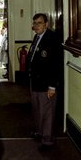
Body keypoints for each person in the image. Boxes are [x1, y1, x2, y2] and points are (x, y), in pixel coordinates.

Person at [26, 13, 63, 151]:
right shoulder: (38, 37)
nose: (36, 26)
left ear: (46, 24)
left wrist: (52, 87)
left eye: (39, 23)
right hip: (35, 82)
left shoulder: (52, 39)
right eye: (35, 23)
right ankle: (40, 132)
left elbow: (56, 65)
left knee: (47, 112)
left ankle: (47, 140)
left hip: (47, 84)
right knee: (37, 109)